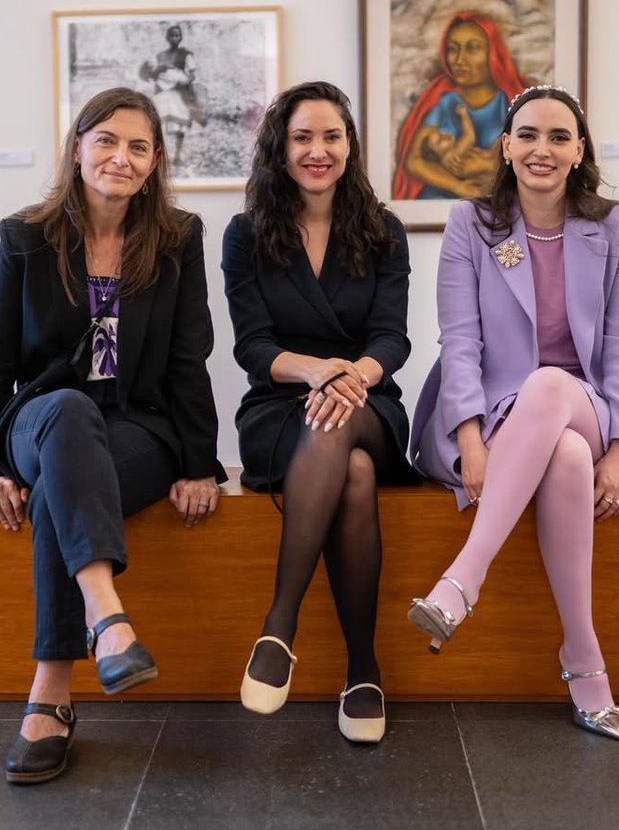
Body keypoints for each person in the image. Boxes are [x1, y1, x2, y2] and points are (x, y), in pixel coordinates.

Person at [0, 87, 226, 783]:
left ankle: (50, 695)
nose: (121, 156)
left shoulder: (178, 239)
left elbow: (186, 358)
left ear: (154, 162)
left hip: (136, 426)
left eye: (138, 146)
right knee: (66, 416)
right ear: (79, 147)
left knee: (63, 480)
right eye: (107, 140)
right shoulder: (26, 235)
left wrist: (201, 464)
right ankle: (108, 616)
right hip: (41, 416)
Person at [408, 85, 619, 743]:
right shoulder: (471, 223)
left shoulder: (618, 227)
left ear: (579, 151)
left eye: (556, 137)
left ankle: (464, 579)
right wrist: (469, 440)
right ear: (505, 145)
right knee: (565, 458)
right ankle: (583, 661)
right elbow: (459, 339)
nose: (540, 149)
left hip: (587, 406)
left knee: (554, 390)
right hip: (494, 413)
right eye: (527, 135)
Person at [222, 81, 412, 744]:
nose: (317, 150)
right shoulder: (245, 234)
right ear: (281, 148)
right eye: (302, 137)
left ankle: (280, 625)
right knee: (353, 475)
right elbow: (252, 346)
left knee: (346, 432)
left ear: (350, 145)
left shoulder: (383, 230)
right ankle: (363, 669)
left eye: (331, 136)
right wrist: (316, 371)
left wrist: (352, 377)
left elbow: (392, 337)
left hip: (370, 404)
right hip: (279, 408)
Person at [393, 12, 531, 201]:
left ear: (493, 53)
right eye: (452, 49)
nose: (459, 59)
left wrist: (491, 172)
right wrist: (459, 187)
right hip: (441, 198)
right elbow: (414, 161)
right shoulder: (445, 103)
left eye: (472, 48)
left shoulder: (509, 101)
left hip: (501, 200)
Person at [139, 24, 205, 168]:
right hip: (163, 93)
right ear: (167, 37)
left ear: (181, 37)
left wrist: (181, 81)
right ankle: (161, 157)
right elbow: (153, 73)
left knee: (179, 125)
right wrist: (158, 77)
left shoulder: (186, 54)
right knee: (161, 125)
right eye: (172, 35)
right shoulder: (160, 56)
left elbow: (192, 75)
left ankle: (177, 156)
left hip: (179, 92)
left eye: (178, 35)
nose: (175, 38)